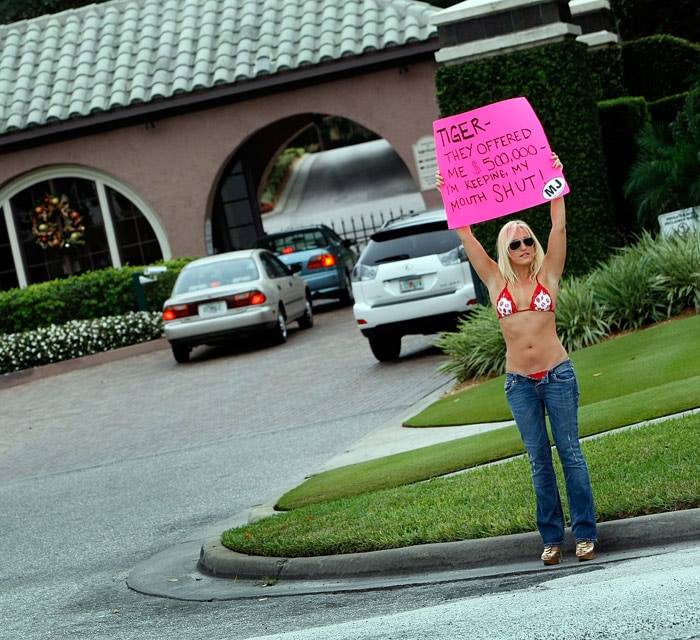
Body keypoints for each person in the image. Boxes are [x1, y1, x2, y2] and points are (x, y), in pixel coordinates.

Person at [436, 154, 597, 565]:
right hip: (519, 384)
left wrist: (556, 180)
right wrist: (450, 193)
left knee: (571, 453)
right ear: (504, 250)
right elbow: (466, 235)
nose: (524, 246)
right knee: (539, 461)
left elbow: (558, 225)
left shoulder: (549, 274)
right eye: (515, 242)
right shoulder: (494, 280)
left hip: (558, 375)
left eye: (528, 240)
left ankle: (584, 533)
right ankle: (550, 539)